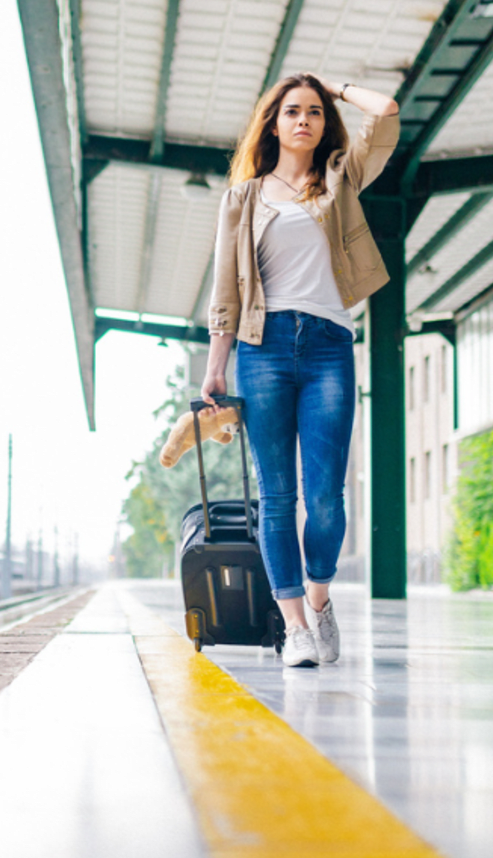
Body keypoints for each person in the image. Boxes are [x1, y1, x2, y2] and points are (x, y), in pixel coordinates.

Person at [198, 73, 399, 668]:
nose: (304, 120)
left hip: (329, 345)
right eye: (292, 111)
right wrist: (216, 369)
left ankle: (319, 599)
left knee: (328, 497)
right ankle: (295, 628)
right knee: (278, 496)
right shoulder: (244, 198)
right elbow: (226, 291)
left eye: (313, 111)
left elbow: (386, 112)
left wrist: (336, 87)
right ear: (274, 123)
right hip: (263, 347)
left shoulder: (342, 178)